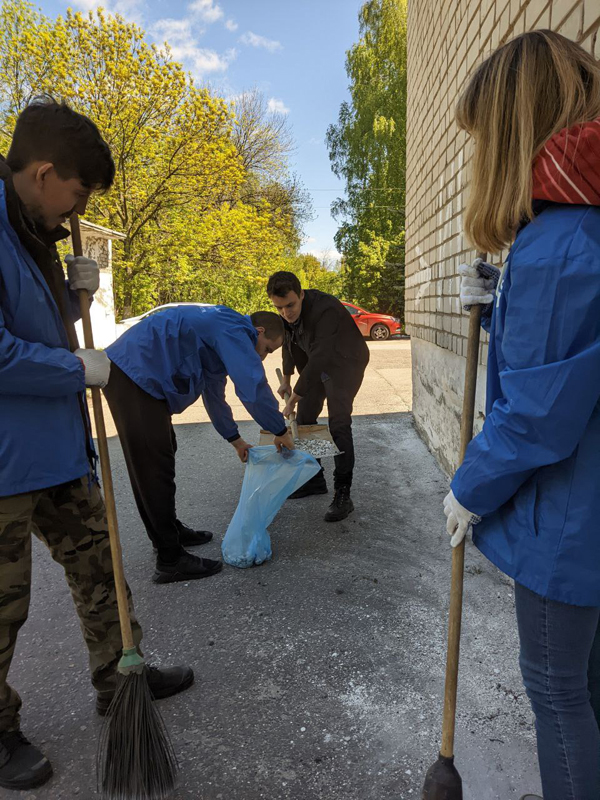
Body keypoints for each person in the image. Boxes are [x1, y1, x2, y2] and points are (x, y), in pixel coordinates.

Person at [0, 99, 193, 792]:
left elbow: (42, 327)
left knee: (100, 569)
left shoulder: (35, 231)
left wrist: (73, 298)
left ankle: (121, 679)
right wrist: (73, 370)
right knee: (3, 605)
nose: (78, 208)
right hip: (4, 462)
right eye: (78, 193)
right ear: (44, 173)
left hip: (58, 449)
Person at [443, 31, 600, 800]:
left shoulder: (560, 247)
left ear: (512, 130)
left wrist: (467, 487)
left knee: (556, 685)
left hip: (572, 519)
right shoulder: (581, 226)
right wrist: (499, 301)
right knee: (590, 681)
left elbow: (537, 416)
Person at [103, 305, 294, 583]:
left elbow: (213, 394)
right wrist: (280, 429)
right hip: (133, 372)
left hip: (141, 374)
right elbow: (251, 386)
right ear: (259, 331)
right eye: (267, 349)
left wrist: (235, 440)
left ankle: (169, 531)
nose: (262, 357)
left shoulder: (221, 334)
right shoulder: (234, 330)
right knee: (152, 466)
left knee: (163, 451)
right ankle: (170, 559)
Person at [266, 271, 369, 522]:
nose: (286, 313)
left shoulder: (326, 310)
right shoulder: (287, 314)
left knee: (339, 423)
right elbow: (289, 343)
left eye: (290, 305)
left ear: (301, 294)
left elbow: (322, 355)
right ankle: (314, 479)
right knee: (305, 419)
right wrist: (287, 379)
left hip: (345, 362)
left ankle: (343, 493)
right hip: (315, 363)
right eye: (279, 308)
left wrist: (295, 396)